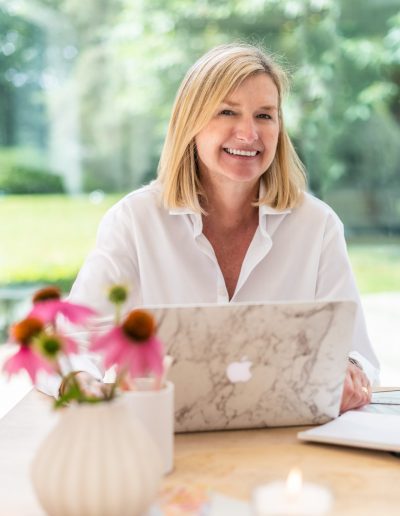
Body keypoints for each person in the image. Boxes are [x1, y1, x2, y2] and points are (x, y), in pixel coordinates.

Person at [65, 43, 379, 412]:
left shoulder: (317, 225)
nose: (249, 134)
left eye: (265, 116)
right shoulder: (135, 221)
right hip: (165, 439)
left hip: (283, 439)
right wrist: (83, 382)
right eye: (227, 112)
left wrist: (350, 371)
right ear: (191, 122)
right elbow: (74, 341)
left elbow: (356, 350)